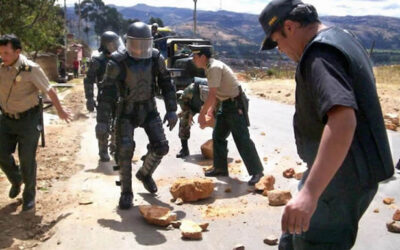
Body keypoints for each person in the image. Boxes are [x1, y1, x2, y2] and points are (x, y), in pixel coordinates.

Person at [258, 0, 394, 249]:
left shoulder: (319, 55)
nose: (280, 49)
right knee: (291, 238)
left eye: (277, 42)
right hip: (343, 171)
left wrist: (310, 193)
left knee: (314, 243)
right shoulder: (341, 37)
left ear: (289, 27)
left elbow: (342, 120)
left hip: (341, 180)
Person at [102, 22, 178, 209]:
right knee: (125, 149)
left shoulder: (155, 58)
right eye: (138, 43)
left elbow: (167, 84)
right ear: (129, 41)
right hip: (126, 110)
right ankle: (126, 192)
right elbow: (107, 94)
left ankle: (145, 174)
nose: (141, 48)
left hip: (149, 108)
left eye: (145, 43)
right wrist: (102, 122)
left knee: (161, 147)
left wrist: (171, 109)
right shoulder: (117, 61)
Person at [0, 34, 72, 212]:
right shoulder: (0, 67)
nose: (3, 56)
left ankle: (29, 195)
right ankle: (16, 179)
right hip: (6, 118)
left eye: (6, 52)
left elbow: (50, 90)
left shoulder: (30, 69)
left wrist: (61, 111)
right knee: (1, 153)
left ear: (18, 52)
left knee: (27, 159)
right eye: (0, 52)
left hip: (28, 120)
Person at [190, 44, 264, 186]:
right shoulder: (209, 67)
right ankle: (220, 168)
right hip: (226, 104)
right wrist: (211, 111)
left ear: (203, 57)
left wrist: (202, 114)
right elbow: (217, 94)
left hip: (234, 105)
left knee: (242, 138)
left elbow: (211, 94)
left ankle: (257, 172)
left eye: (195, 56)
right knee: (218, 136)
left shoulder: (214, 68)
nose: (193, 59)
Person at [84, 31, 124, 162]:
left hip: (120, 96)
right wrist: (89, 98)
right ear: (106, 45)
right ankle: (103, 150)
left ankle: (117, 147)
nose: (116, 46)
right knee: (102, 126)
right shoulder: (98, 60)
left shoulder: (121, 58)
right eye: (113, 44)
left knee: (121, 125)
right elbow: (89, 79)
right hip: (105, 96)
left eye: (116, 43)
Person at [176, 77, 209, 158]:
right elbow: (182, 100)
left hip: (210, 107)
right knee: (184, 119)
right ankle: (184, 149)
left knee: (220, 123)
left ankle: (219, 147)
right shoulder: (191, 89)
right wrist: (189, 112)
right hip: (193, 106)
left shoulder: (216, 90)